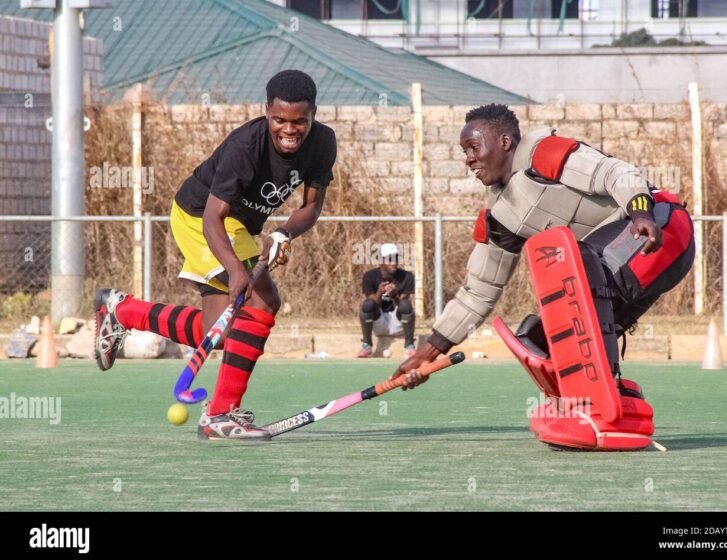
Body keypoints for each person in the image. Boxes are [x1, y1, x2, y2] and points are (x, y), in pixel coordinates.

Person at [391, 103, 694, 451]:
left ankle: (597, 405)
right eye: (464, 152)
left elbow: (617, 173)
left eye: (473, 147)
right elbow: (478, 292)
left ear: (505, 141)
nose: (468, 159)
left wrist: (640, 212)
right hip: (619, 270)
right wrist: (427, 353)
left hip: (661, 230)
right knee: (542, 336)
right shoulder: (499, 217)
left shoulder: (545, 153)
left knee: (575, 270)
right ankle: (617, 409)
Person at [94, 70, 336, 440]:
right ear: (266, 112)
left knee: (218, 334)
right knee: (263, 301)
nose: (289, 130)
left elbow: (312, 207)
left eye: (299, 121)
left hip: (239, 228)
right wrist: (236, 270)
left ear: (313, 115)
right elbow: (212, 217)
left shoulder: (323, 142)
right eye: (280, 120)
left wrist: (283, 234)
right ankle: (221, 413)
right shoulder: (245, 146)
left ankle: (122, 310)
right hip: (200, 217)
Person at [357, 243, 416, 358]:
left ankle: (409, 345)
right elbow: (372, 304)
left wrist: (394, 295)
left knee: (406, 304)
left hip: (397, 322)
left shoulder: (407, 276)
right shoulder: (369, 276)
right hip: (378, 321)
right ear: (380, 261)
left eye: (396, 258)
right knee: (367, 304)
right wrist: (379, 292)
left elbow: (403, 305)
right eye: (389, 259)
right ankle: (367, 345)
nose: (393, 262)